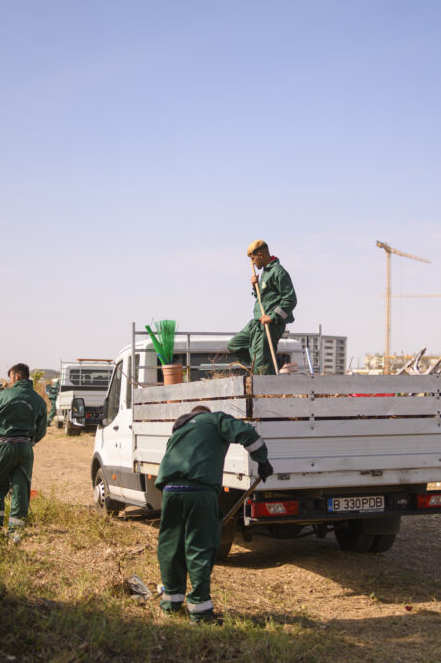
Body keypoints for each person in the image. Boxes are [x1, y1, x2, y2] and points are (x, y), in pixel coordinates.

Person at [155, 405, 273, 623]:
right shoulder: (215, 420)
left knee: (171, 547)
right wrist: (262, 460)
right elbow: (246, 432)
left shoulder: (180, 429)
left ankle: (171, 604)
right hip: (199, 491)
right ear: (205, 414)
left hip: (170, 490)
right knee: (199, 547)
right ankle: (200, 613)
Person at [0, 363, 48, 534]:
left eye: (10, 377)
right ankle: (16, 532)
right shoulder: (38, 400)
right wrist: (29, 441)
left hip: (3, 446)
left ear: (17, 376)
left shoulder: (5, 394)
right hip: (25, 448)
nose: (10, 381)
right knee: (21, 489)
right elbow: (41, 431)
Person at [227, 240, 296, 375]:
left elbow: (290, 300)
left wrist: (272, 317)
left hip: (270, 325)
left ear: (260, 254)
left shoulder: (278, 272)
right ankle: (269, 361)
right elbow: (265, 298)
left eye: (253, 259)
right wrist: (255, 287)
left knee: (261, 366)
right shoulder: (266, 272)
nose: (252, 263)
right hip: (257, 322)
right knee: (234, 345)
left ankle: (265, 367)